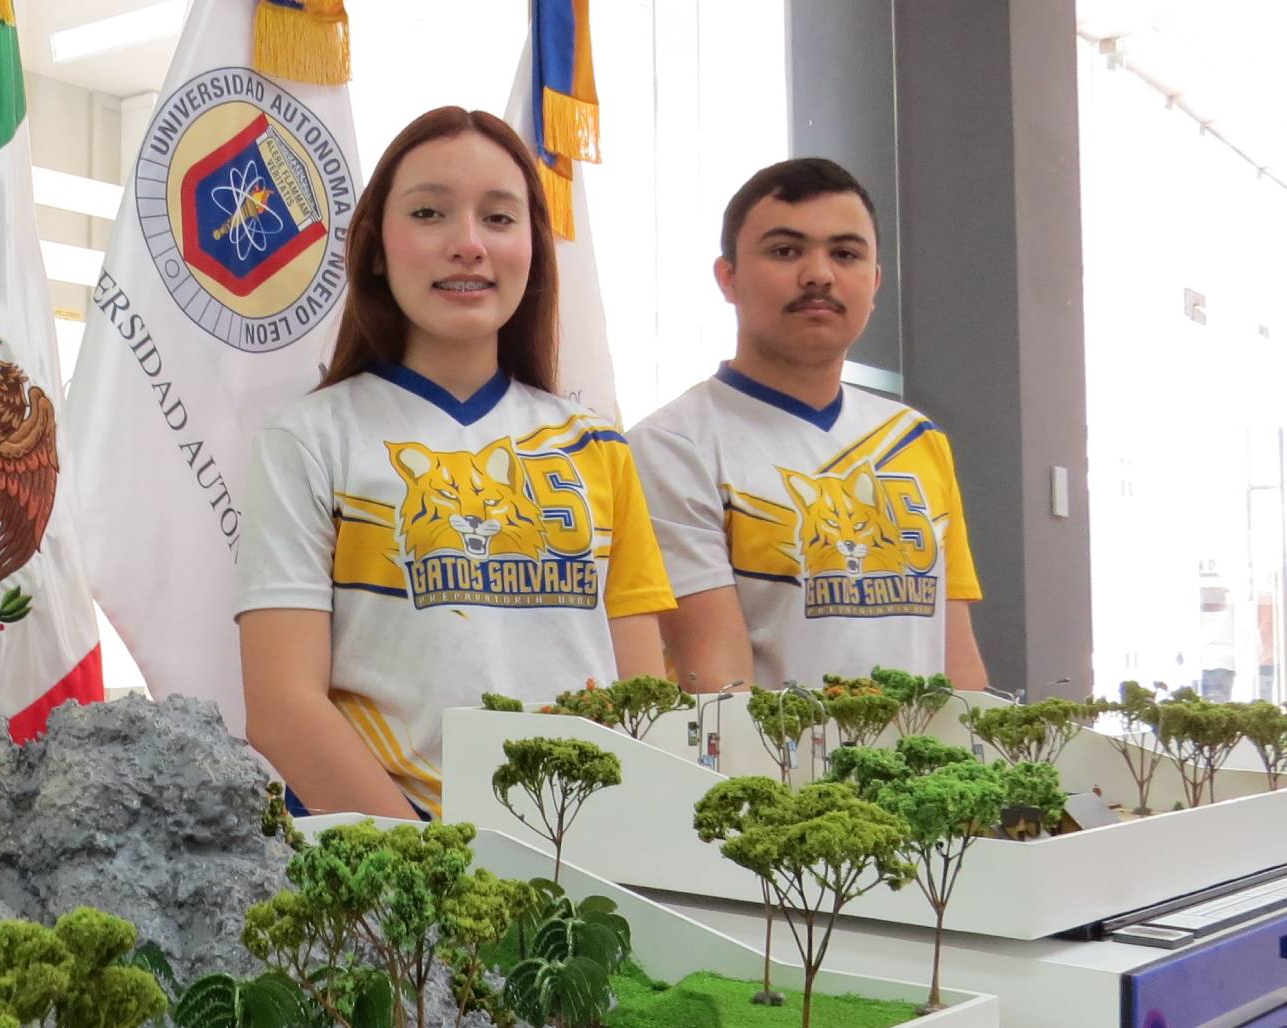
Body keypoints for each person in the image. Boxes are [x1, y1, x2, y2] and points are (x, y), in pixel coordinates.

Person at [235, 107, 675, 819]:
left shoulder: (599, 448)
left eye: (499, 219)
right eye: (431, 212)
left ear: (534, 248)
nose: (468, 244)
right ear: (376, 247)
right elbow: (283, 709)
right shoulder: (310, 439)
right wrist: (434, 879)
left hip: (587, 866)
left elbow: (645, 708)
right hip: (390, 888)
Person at [628, 157, 989, 696]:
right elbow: (717, 686)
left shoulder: (916, 439)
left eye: (845, 254)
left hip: (926, 775)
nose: (819, 274)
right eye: (785, 251)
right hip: (772, 777)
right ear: (728, 278)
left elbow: (960, 672)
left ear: (874, 281)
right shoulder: (671, 447)